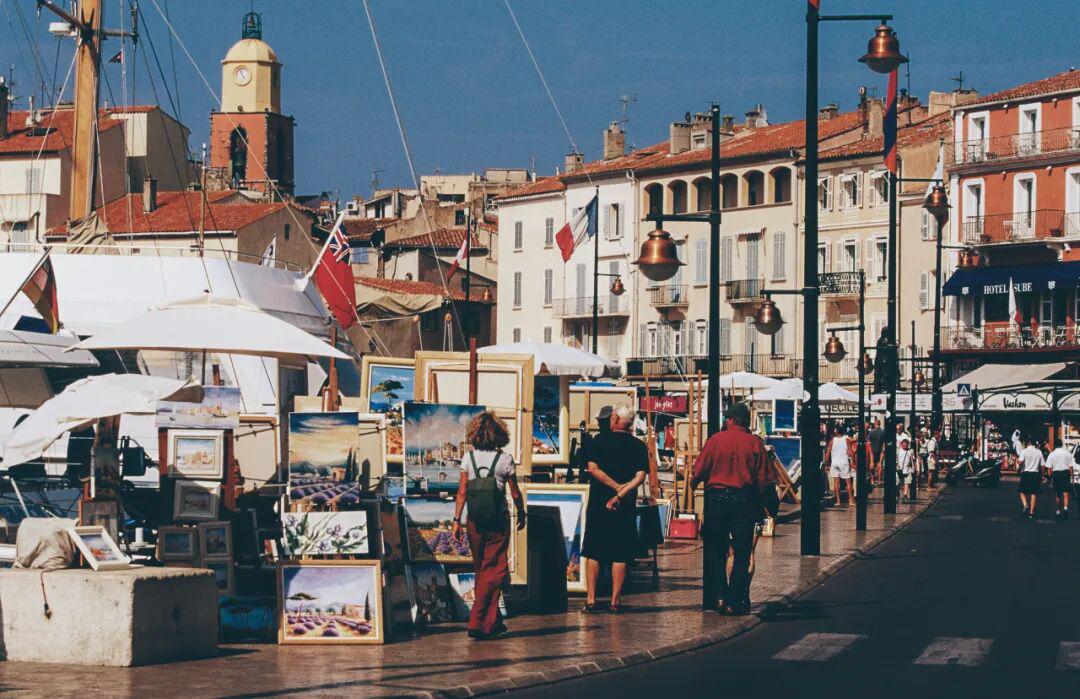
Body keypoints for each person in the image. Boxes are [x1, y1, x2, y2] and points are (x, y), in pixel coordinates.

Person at [452, 411, 526, 640]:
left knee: (482, 569)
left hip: (474, 520)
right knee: (493, 570)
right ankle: (477, 622)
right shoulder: (505, 460)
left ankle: (493, 622)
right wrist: (522, 512)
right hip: (497, 521)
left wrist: (456, 521)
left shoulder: (468, 458)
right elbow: (515, 493)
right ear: (499, 434)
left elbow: (462, 493)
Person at [692, 401, 770, 615]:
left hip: (717, 499)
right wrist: (764, 506)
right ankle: (733, 601)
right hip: (744, 499)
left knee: (715, 549)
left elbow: (699, 469)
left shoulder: (716, 440)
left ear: (732, 420)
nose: (725, 420)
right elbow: (764, 478)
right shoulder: (755, 443)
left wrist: (694, 483)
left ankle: (719, 595)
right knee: (742, 552)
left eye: (727, 418)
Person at [580, 404, 648, 614]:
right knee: (621, 553)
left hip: (599, 503)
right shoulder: (638, 445)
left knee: (594, 551)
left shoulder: (598, 441)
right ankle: (615, 601)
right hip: (625, 505)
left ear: (616, 419)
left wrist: (615, 487)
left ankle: (591, 600)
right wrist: (622, 492)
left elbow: (593, 469)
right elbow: (640, 476)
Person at [1017, 433, 1045, 518]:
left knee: (1022, 491)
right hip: (1035, 474)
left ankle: (1025, 505)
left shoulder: (1024, 451)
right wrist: (1042, 475)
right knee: (1034, 493)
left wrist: (1019, 468)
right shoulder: (1039, 452)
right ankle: (1031, 512)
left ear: (1028, 443)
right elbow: (1042, 465)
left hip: (1025, 474)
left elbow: (1020, 462)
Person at [1046, 438, 1074, 520]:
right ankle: (1065, 507)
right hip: (1065, 473)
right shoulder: (1067, 453)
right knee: (1065, 492)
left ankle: (1058, 510)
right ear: (1062, 444)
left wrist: (1050, 478)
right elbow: (1071, 467)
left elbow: (1049, 468)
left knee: (1058, 492)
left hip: (1056, 473)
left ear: (1055, 445)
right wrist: (1072, 478)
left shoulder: (1052, 454)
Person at [827, 425, 854, 506]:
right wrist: (853, 462)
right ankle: (851, 500)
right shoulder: (846, 440)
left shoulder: (832, 440)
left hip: (835, 462)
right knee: (848, 482)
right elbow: (851, 452)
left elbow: (827, 453)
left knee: (836, 482)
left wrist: (827, 464)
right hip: (844, 462)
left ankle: (838, 501)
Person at [898, 437, 916, 502]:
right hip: (899, 470)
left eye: (906, 445)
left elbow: (912, 460)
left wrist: (914, 469)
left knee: (907, 482)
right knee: (898, 483)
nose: (905, 447)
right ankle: (897, 493)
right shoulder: (898, 451)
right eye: (904, 445)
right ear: (901, 444)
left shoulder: (910, 451)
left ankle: (905, 495)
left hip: (908, 469)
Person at [868, 418, 886, 485]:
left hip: (872, 450)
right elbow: (884, 443)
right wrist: (883, 450)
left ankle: (872, 480)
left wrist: (870, 451)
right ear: (880, 424)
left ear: (875, 424)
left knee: (872, 465)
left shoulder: (871, 432)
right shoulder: (883, 432)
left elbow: (869, 443)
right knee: (880, 465)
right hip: (880, 451)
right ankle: (879, 480)